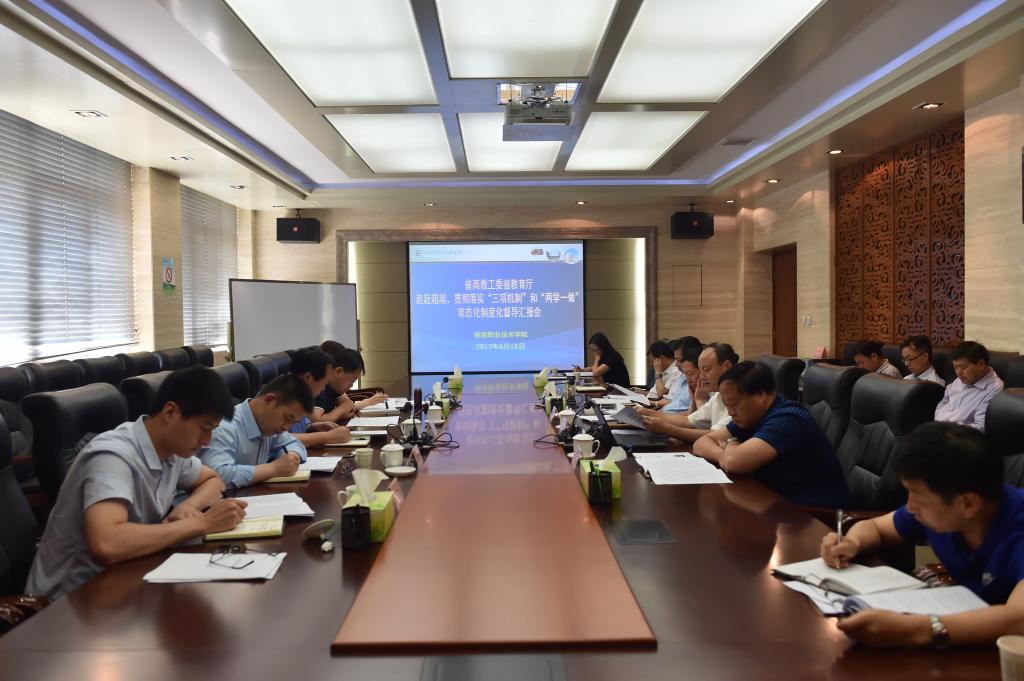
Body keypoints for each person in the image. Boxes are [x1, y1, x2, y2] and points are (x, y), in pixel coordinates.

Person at [25, 367, 247, 599]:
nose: (207, 441)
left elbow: (213, 480)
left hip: (125, 578)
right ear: (171, 412)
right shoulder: (113, 455)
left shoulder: (173, 451)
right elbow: (106, 544)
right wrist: (203, 523)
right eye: (205, 428)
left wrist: (189, 506)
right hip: (67, 599)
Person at [820, 422, 1024, 648]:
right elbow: (876, 528)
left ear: (968, 504)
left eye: (918, 497)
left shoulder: (1017, 525)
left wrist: (917, 629)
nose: (910, 507)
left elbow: (1018, 620)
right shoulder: (943, 510)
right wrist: (852, 542)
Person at [693, 362, 848, 507]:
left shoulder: (787, 420)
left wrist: (730, 444)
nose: (730, 412)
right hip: (775, 500)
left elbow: (734, 462)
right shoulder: (750, 416)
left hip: (812, 513)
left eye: (733, 404)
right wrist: (724, 455)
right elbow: (700, 444)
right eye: (727, 405)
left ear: (761, 395)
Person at [198, 374, 312, 488]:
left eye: (293, 422)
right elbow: (216, 474)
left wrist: (291, 457)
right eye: (287, 418)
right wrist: (273, 469)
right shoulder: (224, 428)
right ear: (269, 400)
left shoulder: (268, 424)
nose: (286, 427)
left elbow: (295, 443)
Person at [642, 343, 737, 441]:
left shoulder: (738, 396)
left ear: (727, 366)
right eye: (701, 371)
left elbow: (716, 435)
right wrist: (647, 413)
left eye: (706, 370)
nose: (702, 377)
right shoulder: (718, 395)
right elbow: (689, 421)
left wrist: (667, 429)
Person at [287, 347, 351, 447]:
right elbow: (279, 440)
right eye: (324, 382)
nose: (324, 389)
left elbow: (299, 427)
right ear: (308, 377)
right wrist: (328, 437)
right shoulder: (278, 400)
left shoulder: (299, 397)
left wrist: (312, 426)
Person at [934, 340, 1003, 432]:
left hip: (958, 436)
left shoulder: (994, 389)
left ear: (981, 364)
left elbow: (981, 427)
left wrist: (948, 429)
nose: (958, 372)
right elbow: (944, 401)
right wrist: (939, 420)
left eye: (963, 367)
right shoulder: (964, 378)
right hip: (939, 428)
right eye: (955, 367)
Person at [318, 343, 387, 423]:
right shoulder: (318, 386)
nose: (351, 386)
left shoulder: (335, 387)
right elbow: (317, 421)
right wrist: (341, 410)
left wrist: (340, 412)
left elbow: (349, 406)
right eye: (352, 381)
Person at [646, 340, 680, 405]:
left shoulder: (676, 371)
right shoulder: (664, 369)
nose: (653, 365)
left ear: (661, 358)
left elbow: (661, 395)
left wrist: (658, 373)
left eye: (653, 361)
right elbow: (654, 393)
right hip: (649, 401)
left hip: (656, 404)